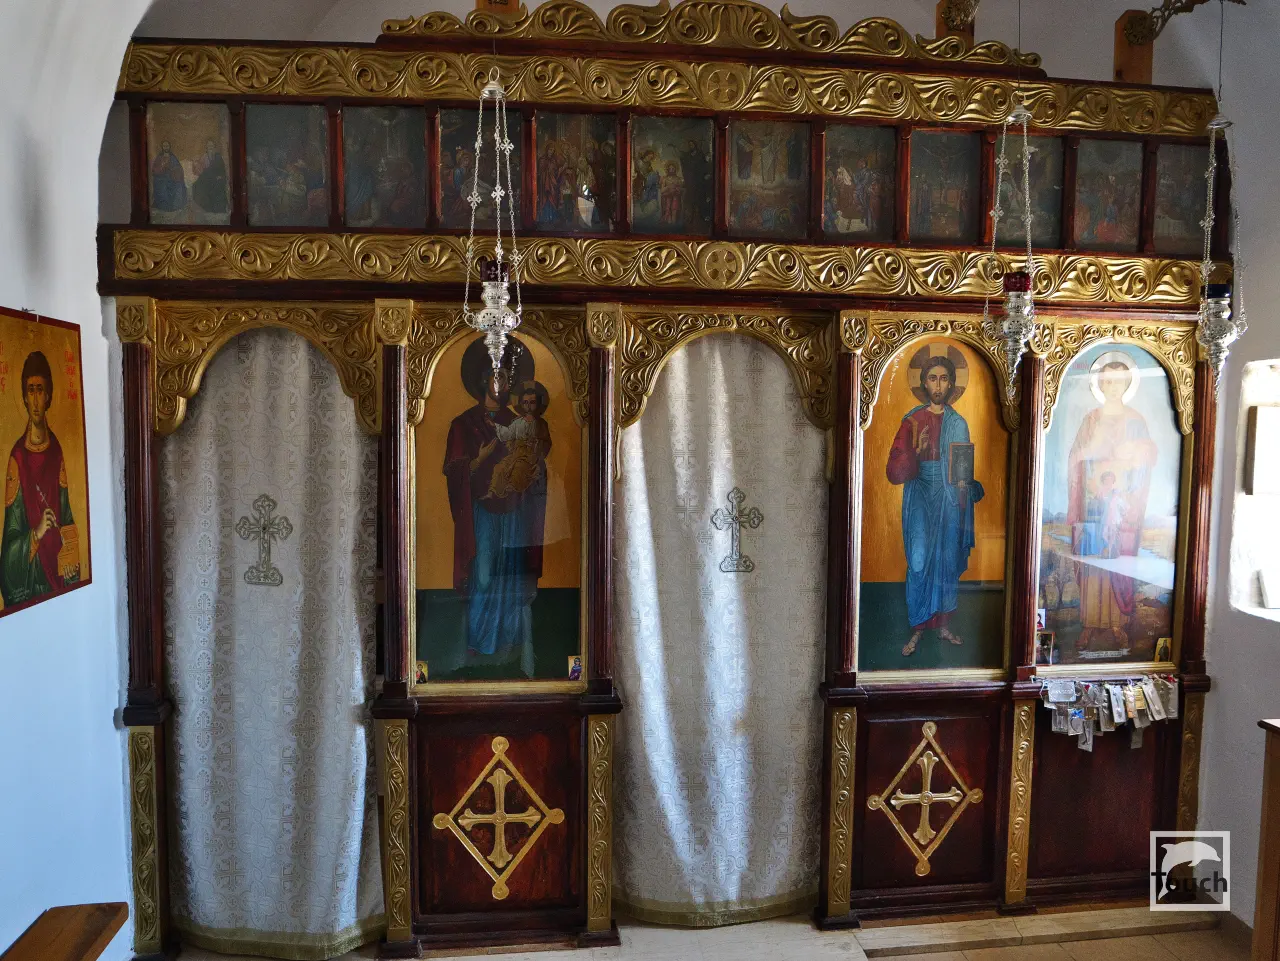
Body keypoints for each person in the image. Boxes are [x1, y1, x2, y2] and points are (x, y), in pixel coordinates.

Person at [443, 349, 549, 677]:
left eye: (505, 377)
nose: (500, 383)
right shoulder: (464, 424)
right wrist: (480, 458)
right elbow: (455, 471)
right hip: (483, 511)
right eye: (495, 376)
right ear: (482, 381)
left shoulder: (518, 421)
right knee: (485, 575)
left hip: (514, 509)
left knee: (511, 575)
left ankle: (509, 647)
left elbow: (535, 460)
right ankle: (479, 646)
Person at [886, 356, 985, 656]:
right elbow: (894, 472)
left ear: (952, 383)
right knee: (918, 560)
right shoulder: (912, 421)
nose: (938, 385)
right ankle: (917, 628)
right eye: (933, 378)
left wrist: (966, 485)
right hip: (919, 492)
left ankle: (943, 626)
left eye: (944, 378)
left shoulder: (958, 423)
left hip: (949, 498)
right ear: (924, 383)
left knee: (947, 560)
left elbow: (962, 470)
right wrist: (914, 451)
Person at [1067, 357, 1156, 652]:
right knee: (1093, 562)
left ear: (1127, 384)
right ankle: (1090, 622)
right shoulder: (1090, 420)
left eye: (1119, 381)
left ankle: (1117, 621)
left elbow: (1145, 464)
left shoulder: (1136, 421)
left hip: (1120, 509)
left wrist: (1133, 455)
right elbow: (1075, 458)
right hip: (1093, 505)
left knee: (1115, 562)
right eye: (1107, 381)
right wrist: (1088, 457)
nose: (1113, 386)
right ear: (1100, 384)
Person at [2, 351, 80, 606]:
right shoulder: (18, 459)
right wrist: (35, 534)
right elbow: (10, 544)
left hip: (57, 568)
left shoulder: (56, 451)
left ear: (48, 397)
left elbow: (66, 515)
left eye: (40, 390)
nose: (35, 400)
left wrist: (71, 556)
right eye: (31, 391)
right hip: (33, 576)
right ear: (24, 398)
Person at [191, 138, 228, 218]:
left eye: (211, 146)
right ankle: (208, 209)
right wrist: (195, 164)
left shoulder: (218, 157)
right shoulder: (204, 157)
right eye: (208, 146)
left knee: (218, 186)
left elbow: (222, 170)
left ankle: (219, 210)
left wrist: (221, 176)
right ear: (206, 147)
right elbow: (199, 171)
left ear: (214, 147)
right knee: (196, 186)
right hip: (206, 178)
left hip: (217, 178)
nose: (210, 147)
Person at [150, 140, 187, 215]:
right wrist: (161, 168)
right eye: (164, 146)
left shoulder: (173, 157)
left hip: (172, 177)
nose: (166, 147)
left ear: (169, 147)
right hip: (161, 177)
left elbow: (179, 168)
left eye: (167, 146)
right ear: (162, 147)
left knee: (178, 185)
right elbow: (154, 169)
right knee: (162, 186)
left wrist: (173, 170)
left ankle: (175, 206)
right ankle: (164, 207)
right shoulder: (159, 157)